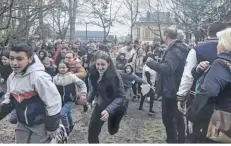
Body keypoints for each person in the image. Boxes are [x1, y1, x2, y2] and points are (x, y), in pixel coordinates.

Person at [0, 43, 62, 143]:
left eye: (20, 59)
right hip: (22, 123)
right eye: (11, 58)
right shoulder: (12, 77)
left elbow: (54, 102)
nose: (14, 63)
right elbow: (9, 99)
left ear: (30, 58)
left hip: (40, 124)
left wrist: (52, 126)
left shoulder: (39, 77)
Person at [176, 22, 226, 143]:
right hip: (224, 104)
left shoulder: (197, 50)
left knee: (197, 134)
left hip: (200, 100)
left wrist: (181, 96)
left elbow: (187, 76)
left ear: (208, 33)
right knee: (220, 137)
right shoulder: (228, 50)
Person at [187, 27, 231, 143]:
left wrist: (192, 111)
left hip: (217, 123)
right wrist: (199, 71)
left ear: (225, 45)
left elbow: (208, 92)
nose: (217, 45)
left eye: (219, 42)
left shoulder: (220, 64)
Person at [146, 27, 189, 143]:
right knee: (177, 117)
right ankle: (179, 140)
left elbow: (168, 69)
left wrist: (151, 63)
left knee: (169, 118)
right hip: (177, 87)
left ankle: (173, 141)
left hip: (171, 89)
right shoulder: (179, 47)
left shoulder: (173, 50)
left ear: (165, 36)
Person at [87, 52, 126, 143]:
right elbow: (93, 89)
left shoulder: (115, 76)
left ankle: (115, 123)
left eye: (103, 64)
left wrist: (109, 110)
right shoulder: (93, 72)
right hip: (101, 104)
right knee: (92, 131)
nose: (100, 67)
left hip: (116, 106)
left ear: (108, 64)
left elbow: (121, 96)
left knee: (112, 131)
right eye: (98, 64)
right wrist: (88, 101)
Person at [53, 61, 87, 135]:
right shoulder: (55, 78)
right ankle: (71, 125)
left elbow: (82, 84)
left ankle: (66, 129)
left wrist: (83, 94)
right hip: (60, 100)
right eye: (60, 67)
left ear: (67, 68)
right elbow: (52, 90)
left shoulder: (72, 76)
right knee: (67, 113)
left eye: (64, 67)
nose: (62, 69)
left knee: (62, 114)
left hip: (70, 99)